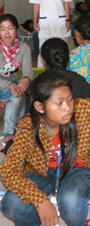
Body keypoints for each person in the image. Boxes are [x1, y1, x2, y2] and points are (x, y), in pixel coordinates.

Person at [0, 69, 90, 226]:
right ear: (40, 107)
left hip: (81, 169)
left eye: (70, 100)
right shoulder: (28, 125)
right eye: (59, 103)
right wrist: (39, 201)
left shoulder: (81, 109)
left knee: (70, 200)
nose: (67, 108)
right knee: (12, 204)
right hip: (43, 172)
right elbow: (8, 170)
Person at [0, 14, 33, 146]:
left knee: (16, 96)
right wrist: (9, 85)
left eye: (10, 28)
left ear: (16, 30)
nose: (6, 32)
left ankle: (8, 134)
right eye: (2, 29)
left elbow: (28, 71)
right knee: (14, 91)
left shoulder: (24, 48)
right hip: (5, 85)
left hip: (11, 86)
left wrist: (25, 80)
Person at [30, 0, 72, 68]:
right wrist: (35, 21)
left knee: (62, 48)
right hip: (45, 22)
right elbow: (36, 4)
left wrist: (67, 20)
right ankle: (42, 73)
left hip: (61, 22)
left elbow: (66, 2)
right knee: (43, 49)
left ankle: (64, 72)